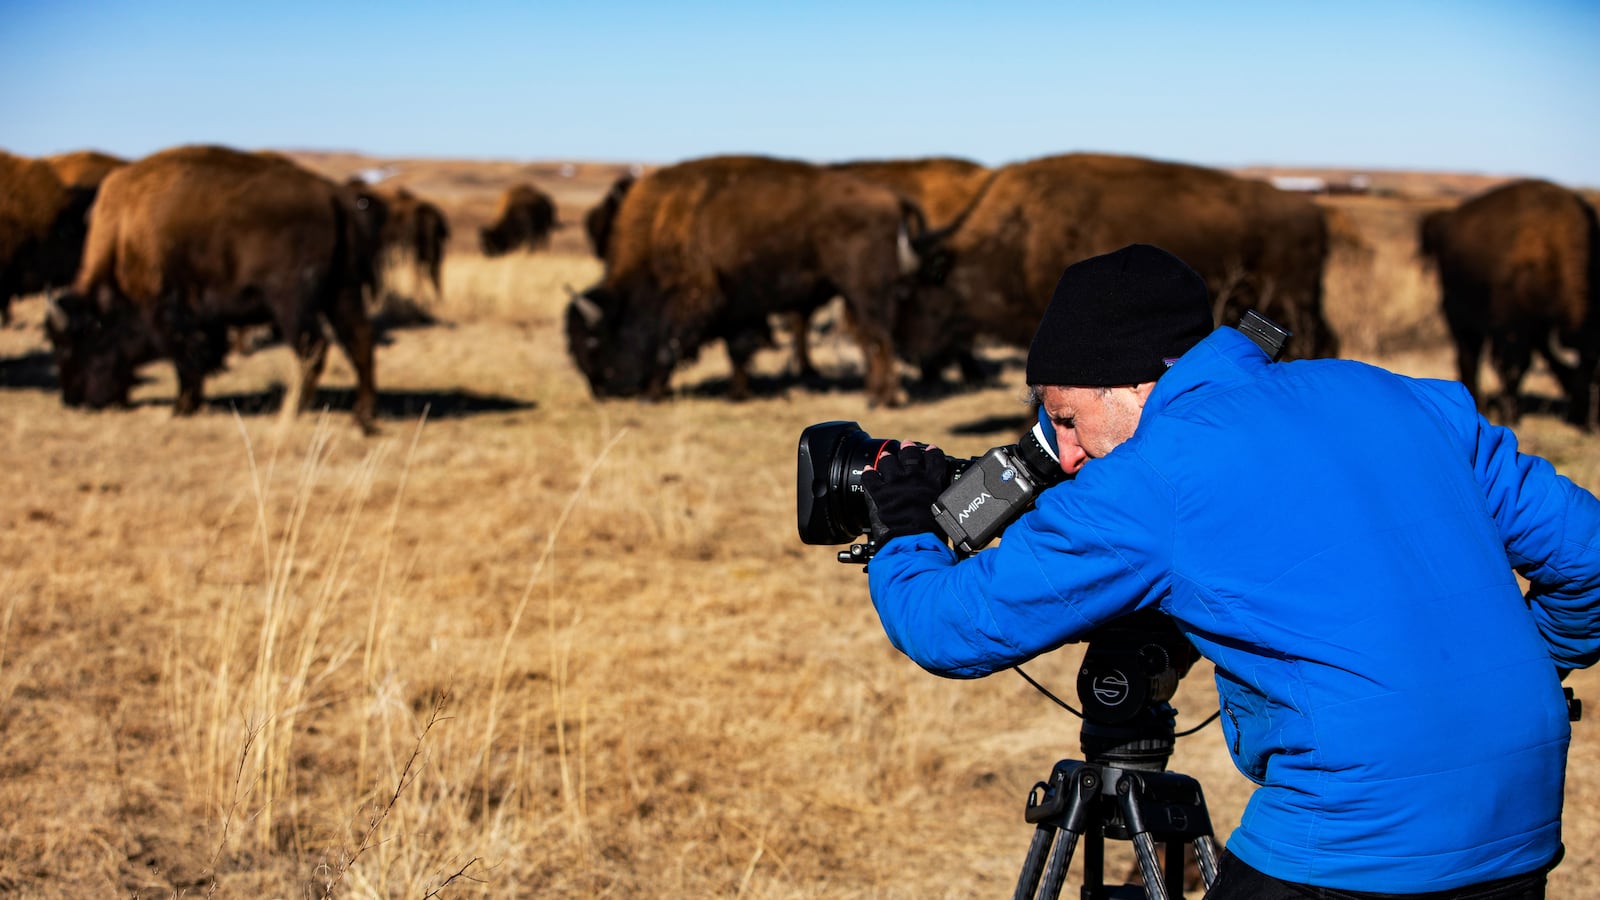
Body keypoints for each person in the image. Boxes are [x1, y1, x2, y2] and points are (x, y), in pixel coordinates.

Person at [860, 243, 1600, 898]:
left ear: (1133, 384)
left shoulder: (1156, 474)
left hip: (1351, 840)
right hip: (1520, 816)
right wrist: (1526, 667)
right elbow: (1588, 553)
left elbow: (949, 627)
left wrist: (903, 525)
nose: (1068, 453)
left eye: (1067, 417)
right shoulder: (1403, 395)